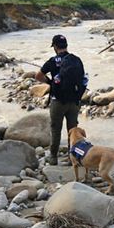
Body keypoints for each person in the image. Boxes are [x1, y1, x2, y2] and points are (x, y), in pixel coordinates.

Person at [35, 34, 86, 165]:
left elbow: (38, 76)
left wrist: (50, 82)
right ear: (66, 46)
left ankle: (53, 157)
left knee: (55, 129)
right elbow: (82, 79)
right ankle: (73, 157)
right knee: (73, 129)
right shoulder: (76, 60)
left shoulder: (53, 61)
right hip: (74, 101)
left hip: (58, 101)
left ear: (55, 47)